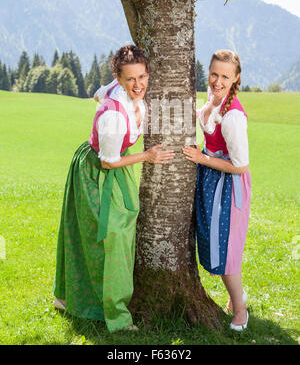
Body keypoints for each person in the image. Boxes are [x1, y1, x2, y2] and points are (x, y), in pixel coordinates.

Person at [53, 45, 174, 332]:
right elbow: (109, 162)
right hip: (96, 169)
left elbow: (98, 92)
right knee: (112, 237)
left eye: (142, 76)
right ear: (119, 79)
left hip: (113, 165)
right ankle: (115, 317)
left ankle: (73, 297)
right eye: (131, 79)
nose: (138, 84)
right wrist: (148, 156)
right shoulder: (114, 115)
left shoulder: (116, 90)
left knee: (113, 235)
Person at [183, 49, 251, 331]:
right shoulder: (212, 101)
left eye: (225, 76)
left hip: (229, 187)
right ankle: (238, 297)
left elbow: (241, 166)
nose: (217, 80)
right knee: (214, 246)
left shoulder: (233, 117)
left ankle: (240, 309)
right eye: (214, 73)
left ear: (236, 79)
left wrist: (202, 159)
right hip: (211, 178)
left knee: (225, 252)